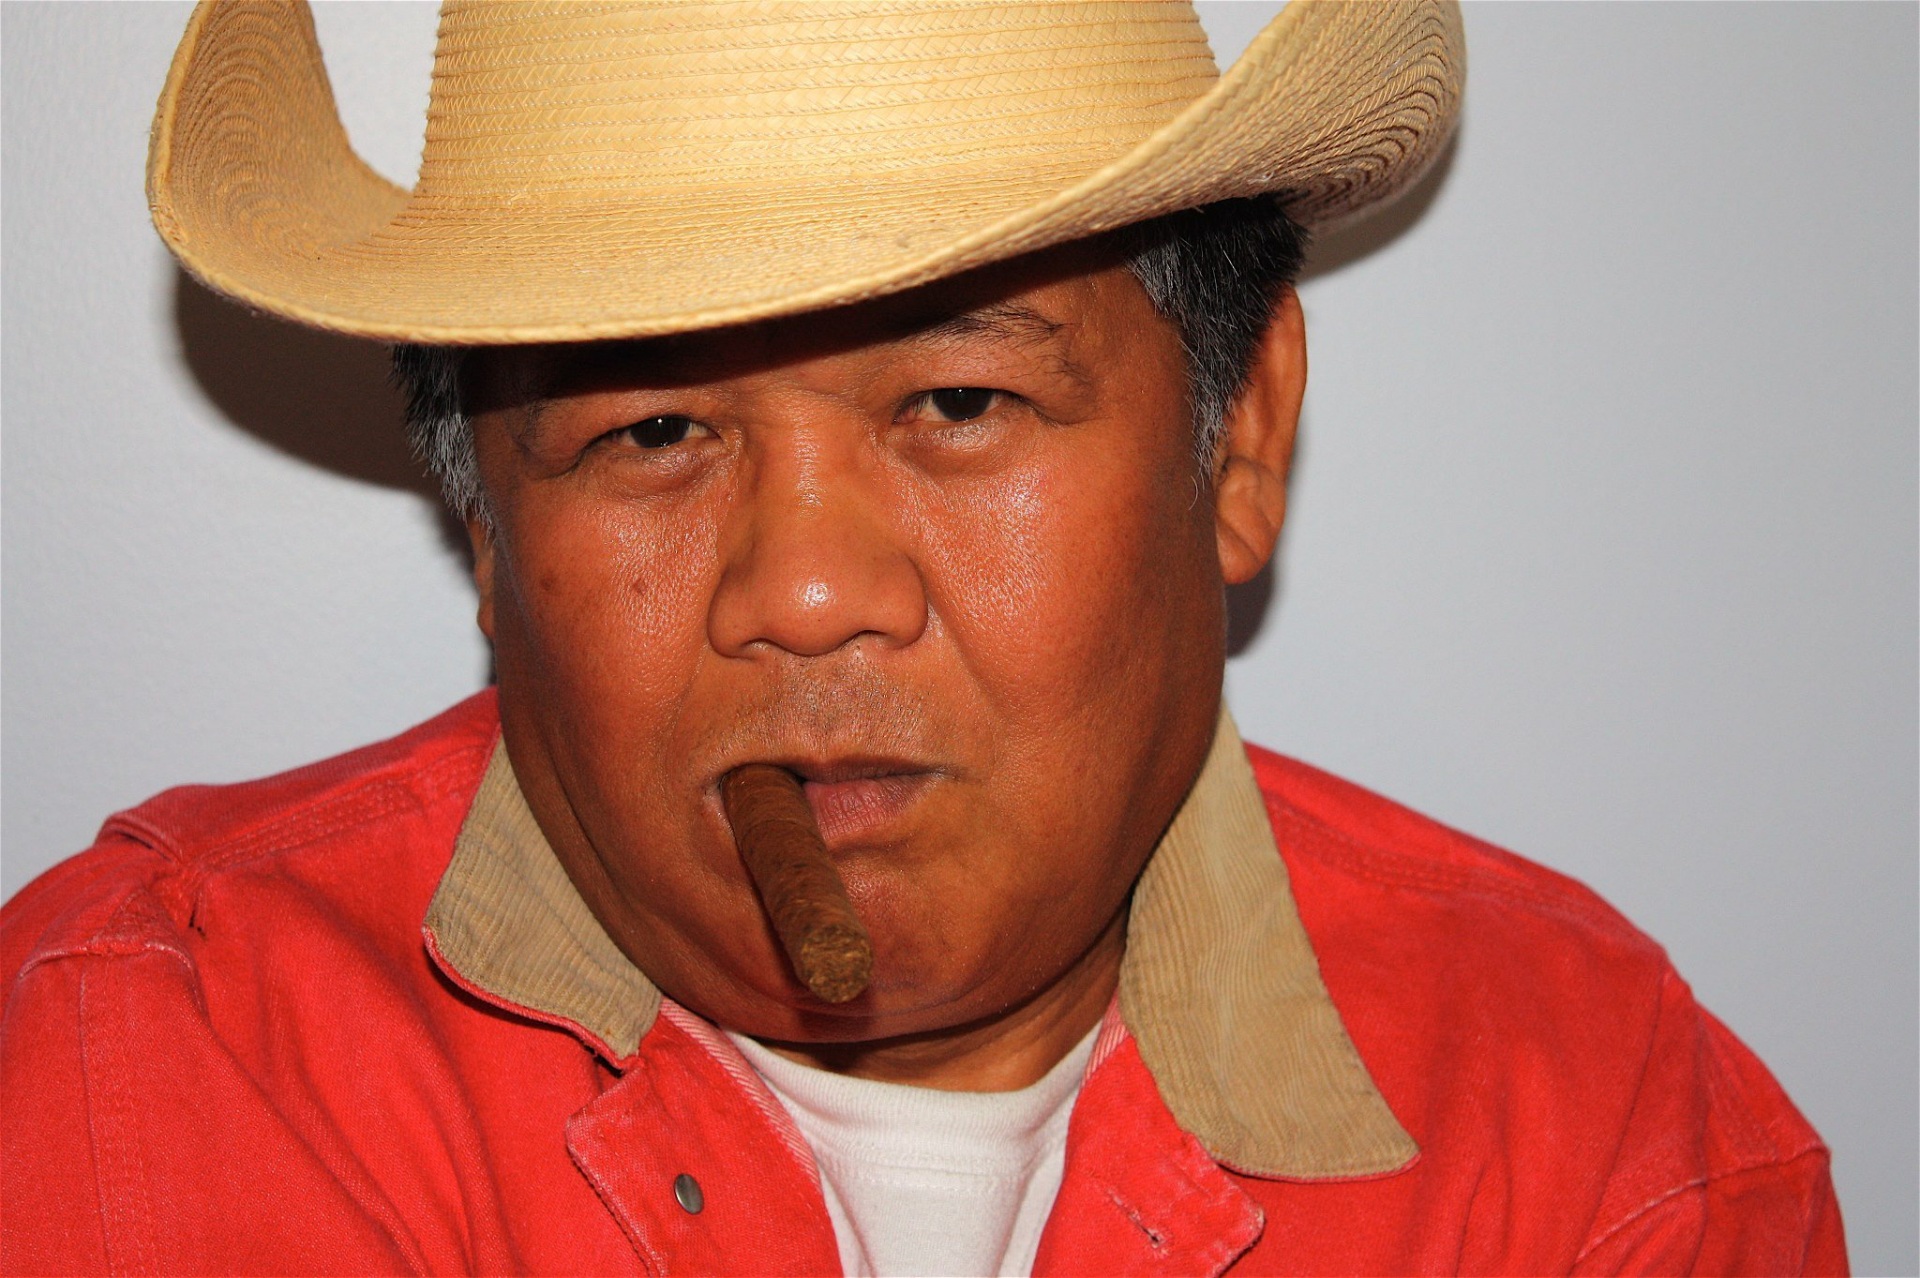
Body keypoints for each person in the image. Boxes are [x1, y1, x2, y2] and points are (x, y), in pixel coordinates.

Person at [0, 2, 1846, 1274]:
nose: (807, 591)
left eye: (961, 402)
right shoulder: (161, 1057)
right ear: (486, 523)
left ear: (1239, 440)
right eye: (653, 430)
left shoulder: (1600, 1142)